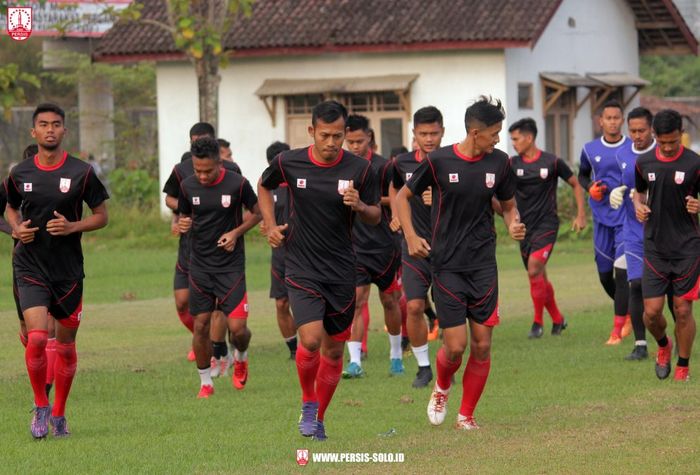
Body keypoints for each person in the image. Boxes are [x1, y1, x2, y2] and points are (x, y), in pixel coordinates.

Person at [396, 96, 525, 430]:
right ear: (474, 131)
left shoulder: (499, 163)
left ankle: (466, 416)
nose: (499, 138)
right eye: (494, 132)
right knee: (455, 347)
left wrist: (513, 223)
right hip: (447, 265)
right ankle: (441, 387)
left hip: (483, 265)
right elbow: (402, 197)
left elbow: (509, 204)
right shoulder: (438, 161)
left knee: (482, 345)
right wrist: (410, 235)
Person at [259, 100, 380, 441]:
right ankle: (308, 402)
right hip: (301, 265)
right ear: (311, 131)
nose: (331, 143)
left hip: (341, 268)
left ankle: (320, 417)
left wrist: (359, 205)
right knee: (310, 340)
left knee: (333, 350)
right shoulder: (289, 162)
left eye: (337, 136)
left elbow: (375, 215)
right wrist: (269, 224)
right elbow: (264, 186)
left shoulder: (360, 168)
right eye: (325, 135)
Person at [6, 103, 109, 438]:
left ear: (65, 131)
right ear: (33, 132)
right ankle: (40, 406)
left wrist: (73, 226)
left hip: (67, 271)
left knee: (65, 347)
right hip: (30, 265)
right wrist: (16, 228)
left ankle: (60, 414)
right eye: (43, 124)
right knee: (36, 337)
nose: (50, 129)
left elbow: (101, 216)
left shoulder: (82, 172)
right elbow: (7, 207)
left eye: (56, 124)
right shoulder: (19, 173)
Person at [178, 137, 261, 397]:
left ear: (219, 163)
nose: (202, 176)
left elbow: (258, 212)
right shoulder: (187, 185)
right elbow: (185, 215)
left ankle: (242, 355)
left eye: (208, 171)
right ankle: (206, 382)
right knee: (201, 324)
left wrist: (236, 232)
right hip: (200, 265)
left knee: (238, 330)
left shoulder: (238, 184)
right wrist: (183, 224)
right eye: (197, 170)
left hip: (231, 267)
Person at [162, 123, 241, 363]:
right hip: (190, 246)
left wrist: (236, 230)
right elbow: (171, 199)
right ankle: (203, 339)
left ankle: (216, 349)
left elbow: (242, 201)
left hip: (220, 250)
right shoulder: (181, 170)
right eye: (195, 140)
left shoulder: (231, 170)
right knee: (182, 301)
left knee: (215, 308)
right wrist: (183, 215)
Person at [634, 109, 699, 381]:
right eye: (663, 142)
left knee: (682, 310)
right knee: (651, 314)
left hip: (687, 246)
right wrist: (638, 206)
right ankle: (663, 345)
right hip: (655, 247)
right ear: (655, 137)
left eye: (673, 141)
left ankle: (682, 367)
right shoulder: (644, 162)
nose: (669, 147)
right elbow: (638, 193)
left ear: (681, 134)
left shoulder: (695, 163)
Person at [508, 118, 586, 338]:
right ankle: (558, 320)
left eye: (515, 139)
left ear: (529, 138)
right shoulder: (512, 165)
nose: (513, 143)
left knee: (534, 268)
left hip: (547, 224)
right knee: (538, 275)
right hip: (524, 228)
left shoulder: (552, 162)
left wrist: (580, 215)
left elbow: (576, 184)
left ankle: (537, 323)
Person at [342, 114, 403, 378]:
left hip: (384, 245)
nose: (355, 146)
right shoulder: (341, 167)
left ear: (370, 137)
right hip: (354, 246)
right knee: (355, 301)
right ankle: (355, 362)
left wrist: (398, 215)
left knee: (390, 301)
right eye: (350, 141)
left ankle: (396, 356)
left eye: (359, 140)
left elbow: (399, 195)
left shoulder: (385, 166)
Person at [390, 106, 444, 388]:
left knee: (449, 312)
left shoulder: (450, 162)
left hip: (447, 247)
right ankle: (423, 367)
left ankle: (449, 362)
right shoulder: (402, 163)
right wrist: (397, 215)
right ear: (414, 134)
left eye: (434, 133)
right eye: (423, 134)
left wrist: (438, 199)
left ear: (443, 132)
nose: (429, 139)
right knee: (412, 306)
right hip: (413, 246)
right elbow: (394, 187)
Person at [579, 100, 631, 345]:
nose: (612, 121)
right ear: (600, 121)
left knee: (622, 275)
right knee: (604, 277)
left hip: (626, 218)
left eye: (616, 117)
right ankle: (630, 309)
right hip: (601, 218)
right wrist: (590, 187)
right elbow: (582, 174)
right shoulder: (590, 149)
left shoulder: (631, 148)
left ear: (622, 120)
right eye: (607, 118)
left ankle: (617, 329)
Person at [609, 107, 656, 360]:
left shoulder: (661, 152)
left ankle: (665, 339)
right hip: (632, 229)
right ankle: (640, 345)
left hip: (660, 230)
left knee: (667, 292)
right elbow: (624, 183)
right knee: (635, 284)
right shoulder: (621, 154)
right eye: (633, 131)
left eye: (642, 130)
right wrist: (616, 192)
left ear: (652, 130)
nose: (637, 135)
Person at [264, 140, 298, 359]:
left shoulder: (302, 184)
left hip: (305, 251)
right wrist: (267, 226)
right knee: (281, 303)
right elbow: (261, 214)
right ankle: (294, 350)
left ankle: (315, 346)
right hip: (280, 254)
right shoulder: (267, 188)